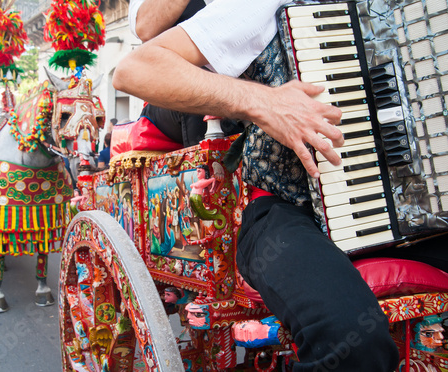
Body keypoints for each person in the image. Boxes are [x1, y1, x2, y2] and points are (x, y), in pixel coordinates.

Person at [114, 1, 403, 371]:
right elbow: (135, 68)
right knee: (353, 343)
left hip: (413, 217)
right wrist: (263, 102)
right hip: (284, 205)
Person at [129, 0, 243, 147]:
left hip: (237, 80)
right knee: (198, 92)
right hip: (174, 94)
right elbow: (145, 27)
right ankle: (210, 168)